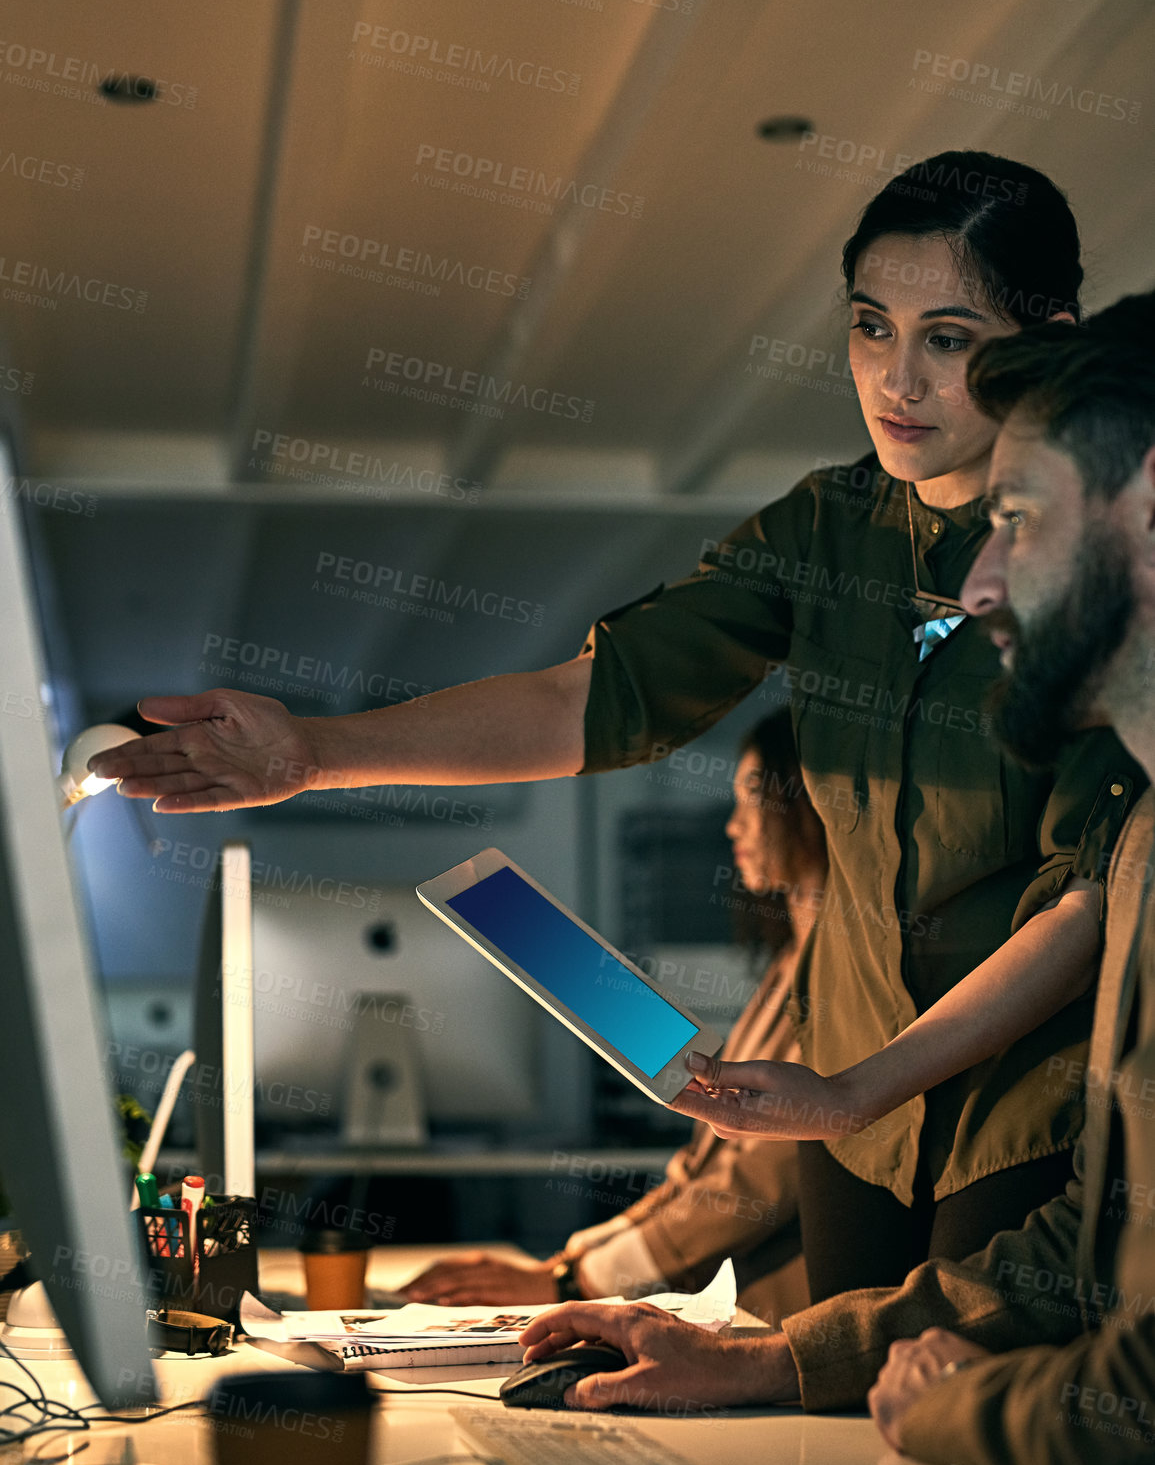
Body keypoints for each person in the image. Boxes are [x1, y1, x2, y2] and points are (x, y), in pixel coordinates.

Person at [89, 150, 1142, 1299]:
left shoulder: (1093, 554)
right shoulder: (827, 529)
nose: (896, 380)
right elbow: (584, 698)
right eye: (868, 327)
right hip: (850, 1110)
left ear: (1047, 336)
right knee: (855, 1430)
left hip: (1014, 1106)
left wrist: (864, 1085)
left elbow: (1090, 895)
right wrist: (313, 754)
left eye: (947, 337)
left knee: (965, 1429)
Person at [515, 294, 1155, 1465]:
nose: (978, 587)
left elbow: (1137, 1386)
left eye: (1017, 521)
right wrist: (773, 1362)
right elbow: (1089, 1253)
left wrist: (949, 1408)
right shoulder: (1141, 851)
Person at [401, 709, 827, 1326]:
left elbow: (752, 1184)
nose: (734, 827)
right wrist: (571, 1266)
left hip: (781, 1321)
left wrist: (575, 1279)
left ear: (811, 808)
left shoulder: (843, 975)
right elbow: (703, 1171)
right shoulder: (790, 964)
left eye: (752, 801)